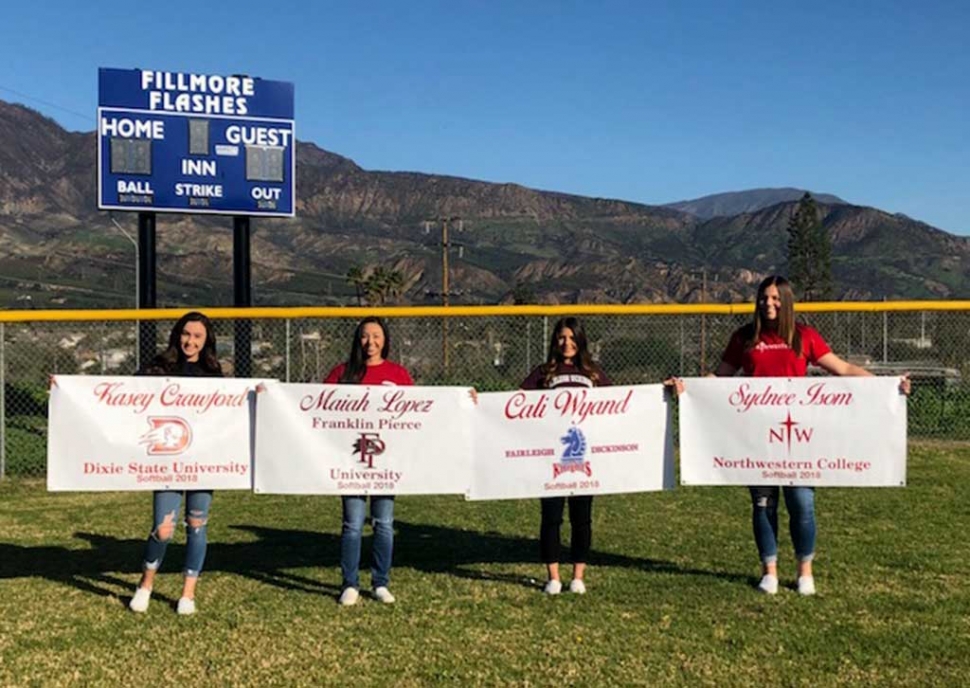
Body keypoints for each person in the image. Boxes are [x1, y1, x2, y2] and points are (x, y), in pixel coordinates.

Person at [711, 275, 909, 596]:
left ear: (786, 302)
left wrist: (889, 385)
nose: (769, 304)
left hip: (799, 440)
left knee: (801, 504)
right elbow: (719, 377)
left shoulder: (804, 336)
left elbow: (844, 369)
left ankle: (805, 571)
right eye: (764, 297)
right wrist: (685, 387)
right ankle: (769, 572)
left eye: (776, 298)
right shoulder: (743, 337)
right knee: (763, 504)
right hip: (757, 437)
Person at [129, 311, 224, 615]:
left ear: (207, 340)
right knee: (163, 528)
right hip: (167, 460)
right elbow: (120, 391)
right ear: (176, 335)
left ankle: (188, 594)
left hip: (202, 461)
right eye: (186, 334)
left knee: (197, 525)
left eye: (197, 336)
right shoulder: (159, 367)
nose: (190, 341)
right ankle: (145, 584)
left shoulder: (214, 373)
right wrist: (66, 387)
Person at [324, 317, 413, 606]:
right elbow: (315, 406)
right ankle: (350, 583)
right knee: (352, 524)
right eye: (365, 336)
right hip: (350, 462)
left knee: (383, 523)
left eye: (376, 336)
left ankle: (380, 582)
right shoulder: (341, 373)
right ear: (357, 340)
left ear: (385, 340)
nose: (370, 342)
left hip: (386, 462)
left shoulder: (398, 374)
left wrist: (463, 399)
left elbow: (421, 411)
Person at [521, 317, 611, 595]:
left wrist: (663, 392)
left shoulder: (593, 373)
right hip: (551, 460)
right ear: (554, 340)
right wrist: (480, 402)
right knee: (551, 517)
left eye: (572, 338)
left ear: (581, 340)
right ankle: (554, 576)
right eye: (562, 337)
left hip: (584, 458)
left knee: (582, 518)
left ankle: (578, 576)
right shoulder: (543, 373)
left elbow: (621, 403)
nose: (567, 343)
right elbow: (515, 402)